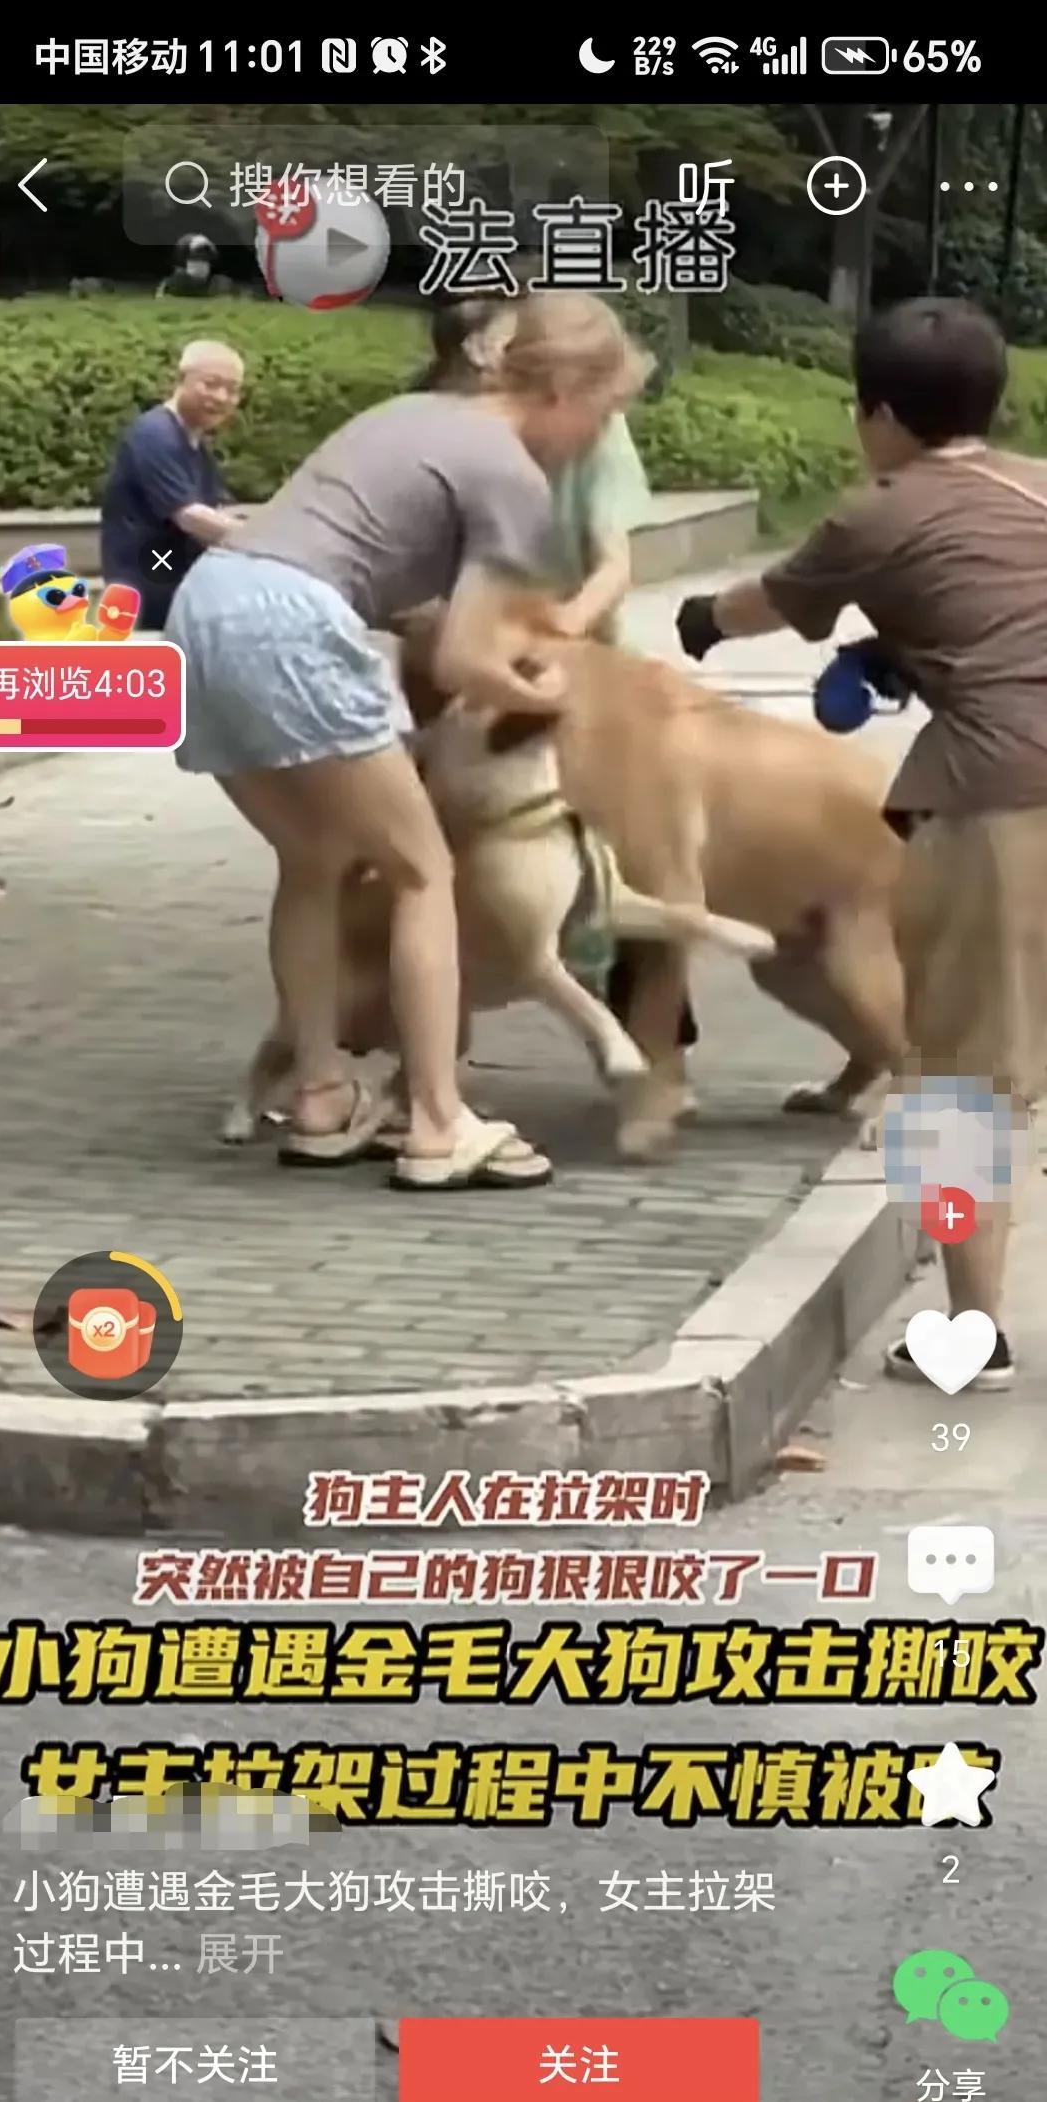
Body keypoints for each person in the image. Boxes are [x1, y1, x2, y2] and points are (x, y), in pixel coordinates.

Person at [165, 291, 648, 1189]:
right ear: (565, 391)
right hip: (293, 622)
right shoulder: (513, 475)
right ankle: (437, 1120)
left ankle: (320, 1094)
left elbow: (407, 600)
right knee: (424, 870)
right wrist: (542, 689)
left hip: (205, 607)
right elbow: (466, 660)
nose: (601, 434)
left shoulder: (413, 413)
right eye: (607, 408)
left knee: (314, 860)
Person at [676, 295, 1047, 1391]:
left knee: (957, 1086)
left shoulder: (876, 516)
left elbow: (762, 602)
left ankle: (973, 1334)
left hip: (1001, 802)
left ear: (878, 414)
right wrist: (912, 648)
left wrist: (697, 620)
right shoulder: (1038, 485)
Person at [415, 295, 652, 642]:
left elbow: (613, 565)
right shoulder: (458, 431)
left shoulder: (598, 426)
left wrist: (565, 624)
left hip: (567, 635)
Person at [100, 340, 245, 631]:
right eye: (211, 384)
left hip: (177, 591)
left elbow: (215, 510)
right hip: (149, 594)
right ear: (180, 380)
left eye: (232, 390)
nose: (221, 397)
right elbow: (190, 516)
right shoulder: (155, 435)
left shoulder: (194, 443)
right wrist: (263, 540)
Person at [157, 234, 234, 299]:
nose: (200, 260)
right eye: (197, 256)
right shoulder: (176, 281)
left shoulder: (219, 283)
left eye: (204, 257)